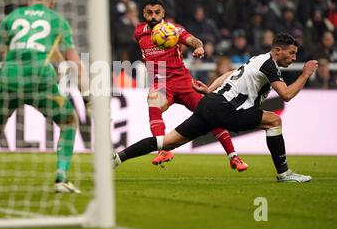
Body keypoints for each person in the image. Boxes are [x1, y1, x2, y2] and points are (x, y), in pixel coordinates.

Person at [114, 33, 318, 183]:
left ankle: (117, 158)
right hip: (226, 109)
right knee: (274, 121)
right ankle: (284, 173)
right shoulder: (269, 64)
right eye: (291, 53)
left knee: (167, 143)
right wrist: (305, 74)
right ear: (277, 51)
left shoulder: (258, 59)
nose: (293, 58)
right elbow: (286, 95)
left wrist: (210, 90)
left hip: (210, 104)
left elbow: (230, 73)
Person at [0, 0, 88, 194]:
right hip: (40, 81)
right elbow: (75, 63)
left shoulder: (12, 18)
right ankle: (61, 178)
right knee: (69, 121)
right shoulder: (57, 21)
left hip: (9, 80)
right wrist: (88, 97)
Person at [134, 0, 248, 171]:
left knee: (210, 114)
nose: (153, 16)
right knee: (153, 103)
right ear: (144, 14)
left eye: (157, 12)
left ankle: (234, 157)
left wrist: (199, 47)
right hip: (162, 82)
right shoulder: (138, 32)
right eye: (149, 12)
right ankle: (163, 150)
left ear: (163, 13)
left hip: (183, 81)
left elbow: (193, 40)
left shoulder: (174, 30)